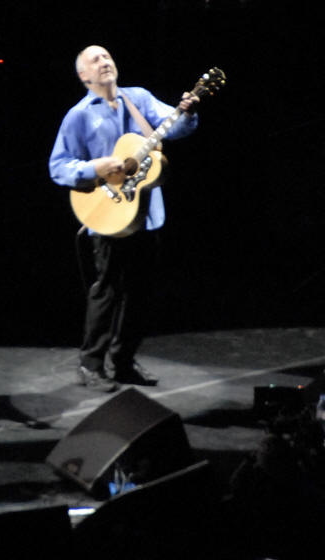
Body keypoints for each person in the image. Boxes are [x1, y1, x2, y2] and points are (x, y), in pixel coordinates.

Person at [49, 45, 199, 392]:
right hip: (107, 212)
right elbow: (58, 166)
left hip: (145, 213)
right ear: (83, 76)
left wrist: (186, 113)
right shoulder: (79, 116)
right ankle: (91, 364)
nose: (104, 62)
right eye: (94, 60)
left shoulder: (139, 99)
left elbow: (172, 128)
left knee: (141, 292)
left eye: (107, 57)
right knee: (108, 290)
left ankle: (124, 360)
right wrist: (96, 167)